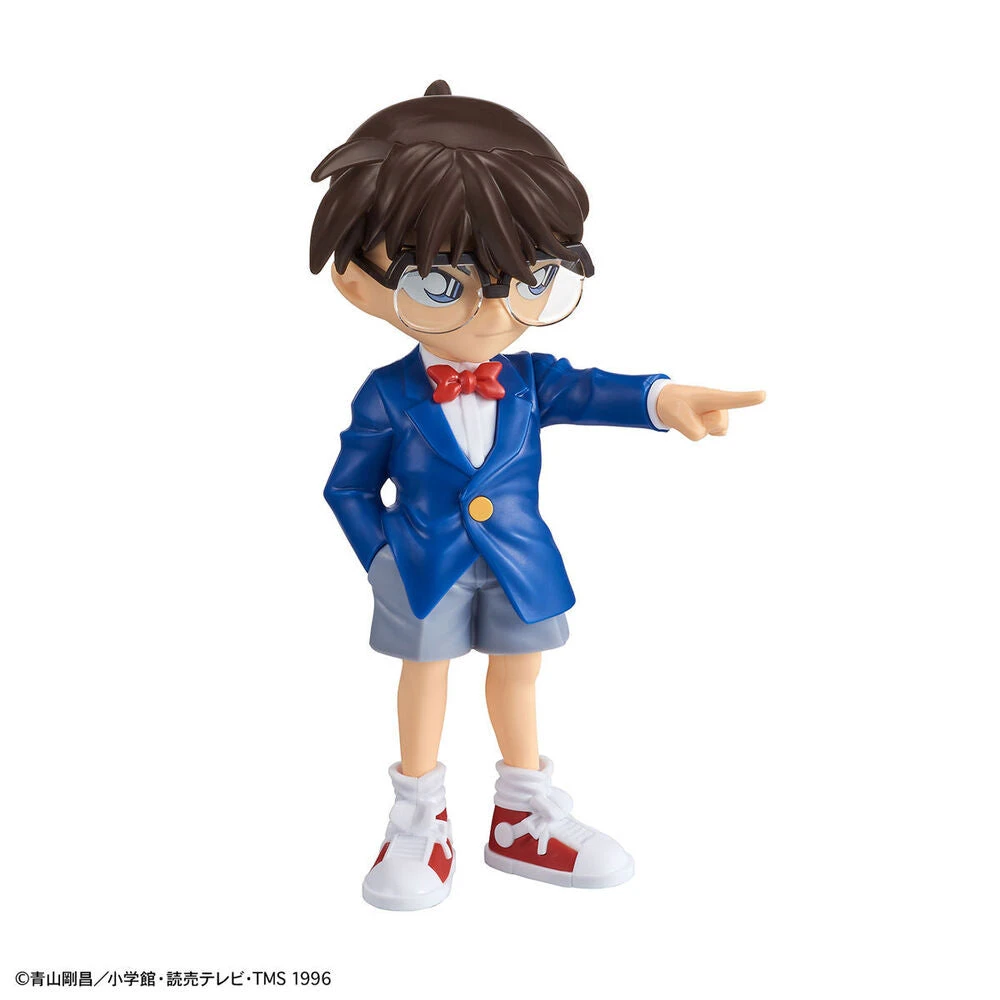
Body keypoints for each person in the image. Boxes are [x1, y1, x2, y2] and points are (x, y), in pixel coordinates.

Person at [311, 80, 765, 910]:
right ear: (355, 282)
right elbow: (346, 485)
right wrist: (381, 557)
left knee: (519, 676)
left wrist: (662, 398)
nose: (493, 313)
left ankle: (522, 816)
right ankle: (417, 820)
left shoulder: (527, 378)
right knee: (426, 678)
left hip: (520, 563)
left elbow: (593, 390)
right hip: (422, 566)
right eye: (441, 283)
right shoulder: (388, 393)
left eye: (530, 278)